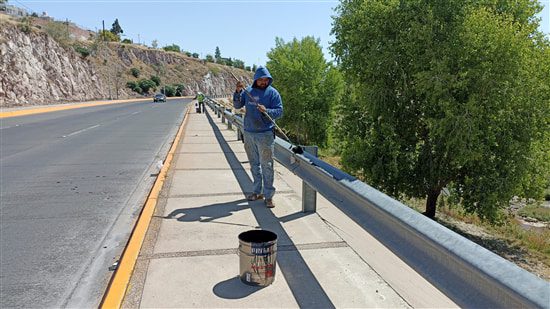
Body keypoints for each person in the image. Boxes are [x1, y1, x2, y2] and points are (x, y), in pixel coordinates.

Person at [233, 67, 283, 208]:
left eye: (265, 79)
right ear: (256, 79)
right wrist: (238, 92)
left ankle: (268, 196)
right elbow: (237, 105)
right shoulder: (248, 91)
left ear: (268, 79)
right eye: (260, 79)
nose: (263, 82)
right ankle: (257, 191)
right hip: (249, 132)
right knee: (254, 164)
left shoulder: (273, 93)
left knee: (266, 165)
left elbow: (279, 111)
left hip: (265, 134)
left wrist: (267, 110)